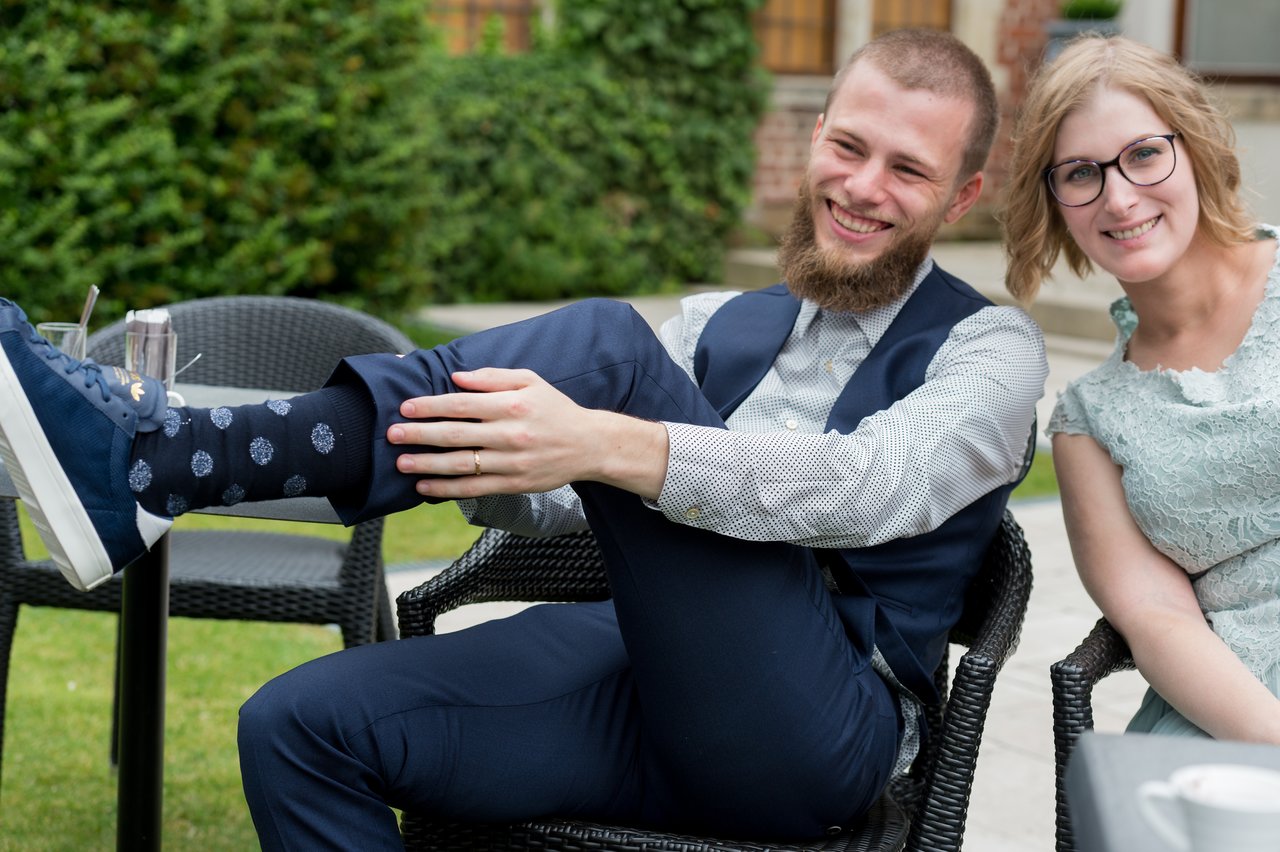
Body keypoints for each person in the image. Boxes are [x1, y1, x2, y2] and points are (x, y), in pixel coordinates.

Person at [0, 29, 1045, 850]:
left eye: (906, 171)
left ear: (959, 197)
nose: (862, 188)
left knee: (604, 346)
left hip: (817, 732)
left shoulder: (989, 350)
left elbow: (870, 484)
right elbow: (560, 500)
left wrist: (607, 443)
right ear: (816, 133)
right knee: (299, 725)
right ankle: (156, 463)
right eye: (848, 146)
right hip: (646, 674)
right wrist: (504, 459)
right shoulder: (720, 320)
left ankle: (162, 461)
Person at [1005, 35, 1280, 743]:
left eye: (1144, 154)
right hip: (1235, 717)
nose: (1120, 198)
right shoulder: (1088, 423)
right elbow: (1158, 619)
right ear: (1054, 201)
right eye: (1079, 172)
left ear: (1195, 148)